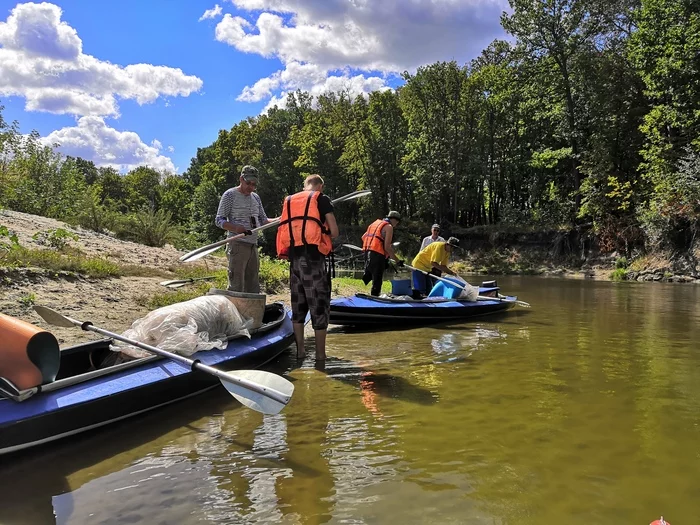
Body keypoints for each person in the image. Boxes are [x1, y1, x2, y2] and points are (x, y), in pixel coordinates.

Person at [276, 174, 339, 360]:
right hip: (312, 260)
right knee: (319, 306)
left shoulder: (289, 201)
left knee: (298, 308)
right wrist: (324, 228)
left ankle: (300, 352)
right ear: (320, 186)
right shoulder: (321, 198)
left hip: (294, 261)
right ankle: (320, 357)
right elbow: (334, 232)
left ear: (305, 186)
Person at [215, 165, 275, 293]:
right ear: (241, 179)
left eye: (254, 184)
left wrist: (281, 218)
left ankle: (251, 312)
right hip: (237, 245)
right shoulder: (230, 195)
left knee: (253, 286)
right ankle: (234, 312)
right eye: (248, 183)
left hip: (253, 245)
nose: (251, 187)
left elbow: (263, 220)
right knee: (236, 285)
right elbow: (219, 220)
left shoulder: (256, 197)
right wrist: (236, 228)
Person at [361, 211, 403, 296]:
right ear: (394, 220)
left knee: (372, 276)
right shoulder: (389, 227)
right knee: (377, 280)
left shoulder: (374, 224)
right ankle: (375, 299)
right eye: (397, 221)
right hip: (377, 255)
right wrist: (398, 261)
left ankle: (373, 295)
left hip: (367, 253)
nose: (397, 224)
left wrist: (372, 246)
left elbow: (363, 237)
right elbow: (387, 248)